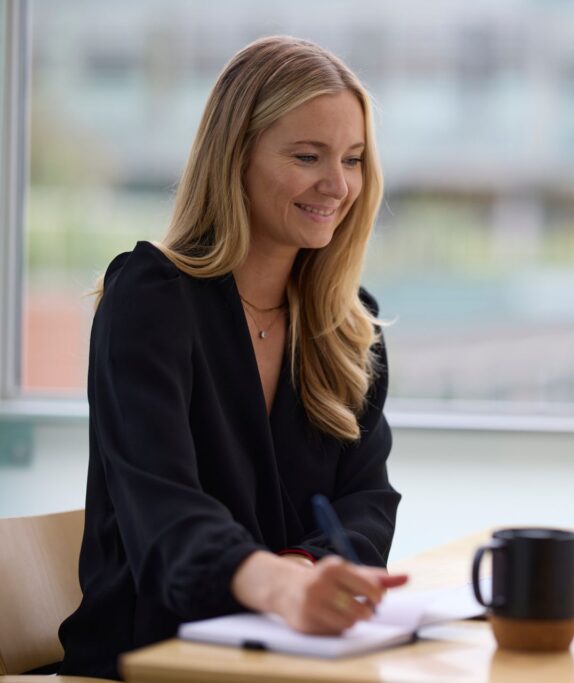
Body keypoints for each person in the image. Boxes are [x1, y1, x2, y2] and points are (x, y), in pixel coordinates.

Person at [58, 36, 406, 679]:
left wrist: (306, 579)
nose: (338, 185)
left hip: (291, 657)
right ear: (235, 157)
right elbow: (165, 514)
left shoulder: (348, 323)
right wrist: (281, 589)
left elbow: (367, 501)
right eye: (308, 156)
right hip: (153, 660)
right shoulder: (150, 299)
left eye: (353, 159)